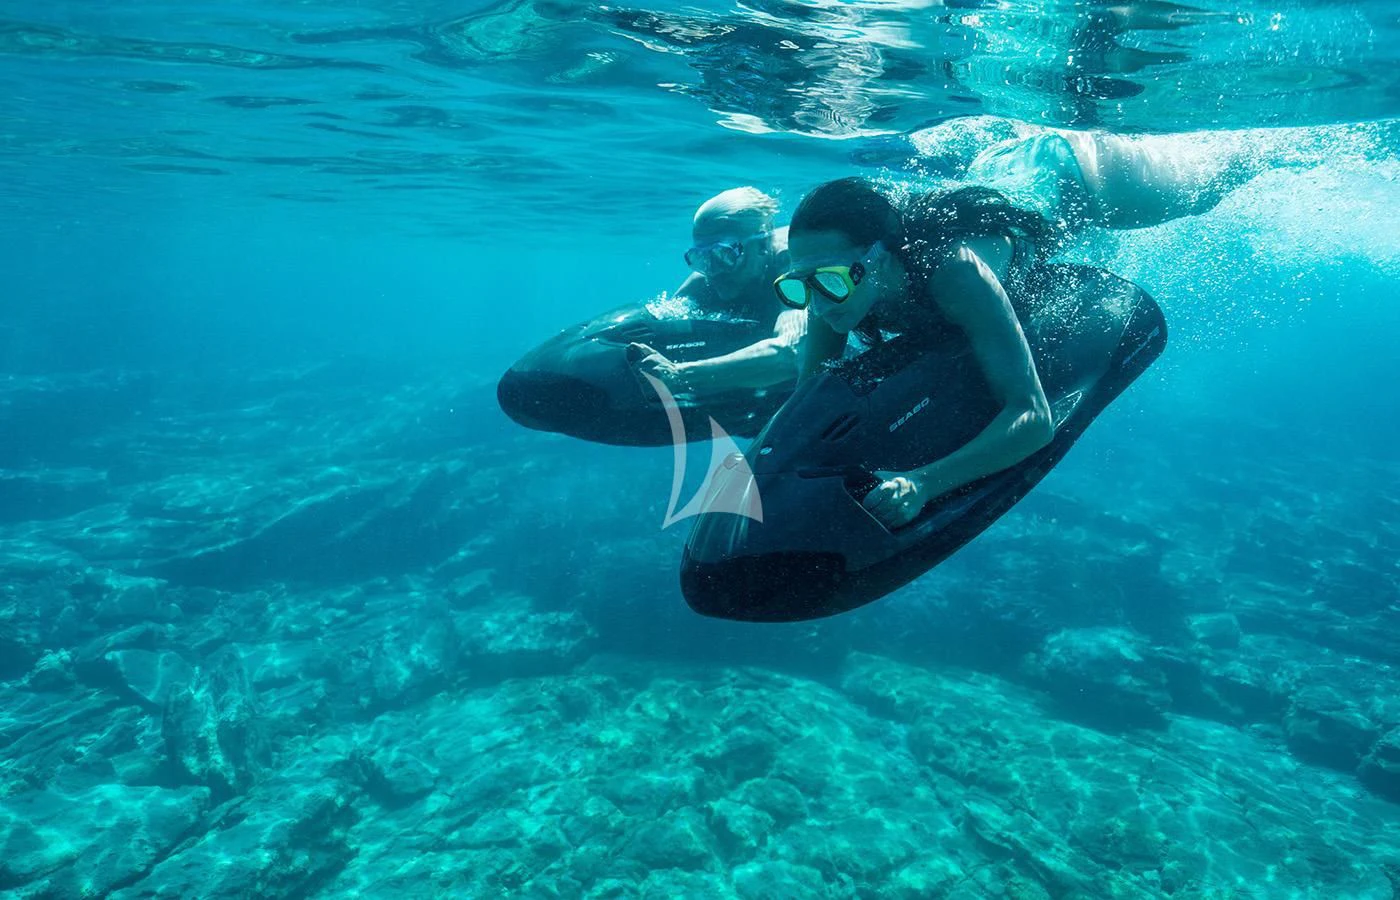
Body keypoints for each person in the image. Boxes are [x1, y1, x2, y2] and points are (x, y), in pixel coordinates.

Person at [775, 177, 1064, 530]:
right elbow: (805, 401)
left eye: (828, 280)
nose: (817, 308)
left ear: (878, 261)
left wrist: (922, 483)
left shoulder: (958, 274)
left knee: (1064, 204)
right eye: (798, 285)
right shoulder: (826, 284)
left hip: (1036, 214)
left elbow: (1033, 420)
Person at [629, 188, 807, 398]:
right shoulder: (705, 278)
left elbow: (793, 353)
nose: (713, 272)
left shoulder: (792, 265)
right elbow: (662, 323)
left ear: (761, 246)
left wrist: (681, 375)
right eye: (701, 258)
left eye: (724, 254)